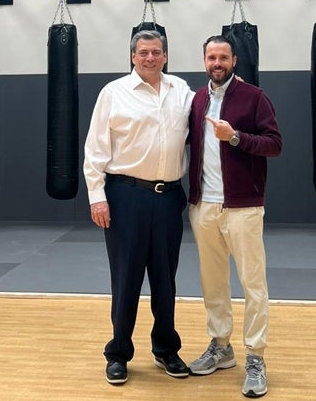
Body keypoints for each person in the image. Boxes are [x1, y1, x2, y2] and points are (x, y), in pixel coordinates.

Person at [83, 30, 194, 385]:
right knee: (126, 278)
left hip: (169, 197)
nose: (150, 58)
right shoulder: (113, 93)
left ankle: (165, 350)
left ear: (165, 56)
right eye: (143, 52)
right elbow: (95, 149)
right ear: (133, 56)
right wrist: (96, 196)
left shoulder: (182, 92)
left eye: (157, 52)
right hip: (125, 196)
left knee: (165, 280)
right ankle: (118, 353)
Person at [186, 35, 282, 398]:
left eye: (223, 57)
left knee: (253, 285)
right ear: (204, 61)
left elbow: (274, 144)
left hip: (243, 207)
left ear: (234, 61)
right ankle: (221, 347)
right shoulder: (197, 99)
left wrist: (237, 138)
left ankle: (255, 357)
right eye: (211, 57)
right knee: (213, 284)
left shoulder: (255, 98)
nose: (217, 63)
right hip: (204, 207)